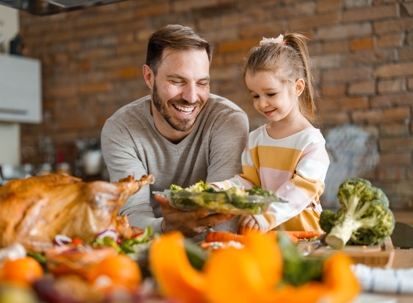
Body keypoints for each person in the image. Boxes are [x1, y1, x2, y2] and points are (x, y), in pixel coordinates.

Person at [101, 24, 249, 241]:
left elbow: (224, 218)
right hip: (152, 250)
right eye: (177, 81)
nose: (191, 97)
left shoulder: (228, 120)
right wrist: (167, 229)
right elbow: (131, 216)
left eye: (202, 83)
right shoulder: (121, 129)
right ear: (149, 77)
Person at [212, 33, 330, 234]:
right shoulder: (256, 139)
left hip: (304, 235)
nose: (262, 103)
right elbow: (249, 183)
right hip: (264, 236)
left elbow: (301, 190)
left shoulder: (311, 142)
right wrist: (222, 189)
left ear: (297, 87)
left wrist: (266, 215)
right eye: (255, 95)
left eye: (271, 94)